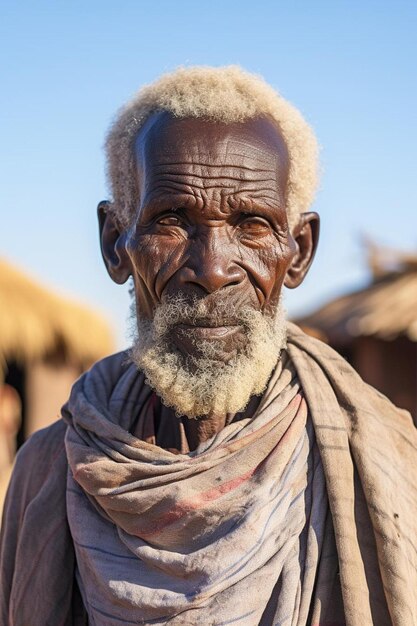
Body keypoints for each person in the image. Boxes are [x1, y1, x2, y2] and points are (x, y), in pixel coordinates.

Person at [1, 66, 416, 626]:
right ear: (115, 243)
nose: (213, 269)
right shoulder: (48, 471)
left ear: (298, 252)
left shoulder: (391, 460)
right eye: (172, 220)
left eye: (252, 225)